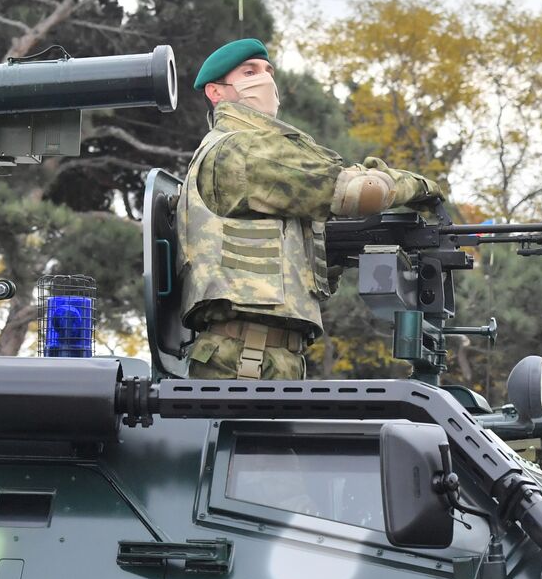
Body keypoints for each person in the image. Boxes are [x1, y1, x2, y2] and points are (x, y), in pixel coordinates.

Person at [178, 38, 445, 379]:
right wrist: (420, 187)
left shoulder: (257, 151)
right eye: (249, 72)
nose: (265, 79)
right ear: (216, 93)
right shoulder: (240, 150)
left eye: (267, 71)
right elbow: (360, 191)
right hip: (245, 358)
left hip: (266, 356)